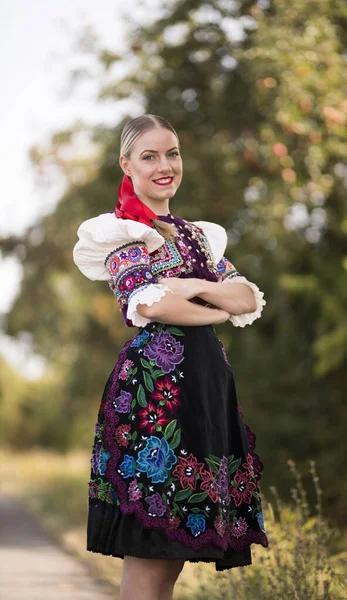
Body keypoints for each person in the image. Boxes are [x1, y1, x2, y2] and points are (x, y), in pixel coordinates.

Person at [72, 114, 269, 600]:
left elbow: (246, 297)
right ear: (127, 164)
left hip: (203, 394)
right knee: (150, 559)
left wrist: (200, 287)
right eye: (150, 156)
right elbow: (151, 303)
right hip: (154, 398)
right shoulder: (122, 233)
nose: (165, 166)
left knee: (172, 562)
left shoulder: (199, 236)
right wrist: (214, 310)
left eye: (172, 153)